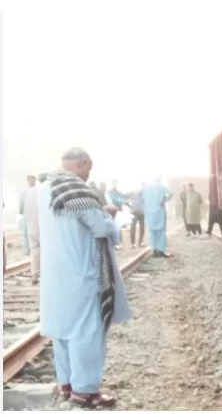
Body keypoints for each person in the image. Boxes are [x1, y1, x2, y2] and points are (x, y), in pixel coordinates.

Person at [38, 147, 130, 408]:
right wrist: (110, 216)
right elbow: (100, 228)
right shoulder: (76, 189)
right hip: (82, 274)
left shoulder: (47, 188)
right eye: (88, 168)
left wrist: (96, 211)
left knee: (63, 331)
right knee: (87, 332)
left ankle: (67, 384)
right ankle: (85, 391)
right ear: (81, 163)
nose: (89, 174)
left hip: (56, 274)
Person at [25, 173, 47, 284]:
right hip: (42, 227)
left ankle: (34, 274)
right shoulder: (44, 191)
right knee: (46, 251)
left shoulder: (28, 192)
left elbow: (22, 209)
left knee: (34, 251)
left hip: (30, 226)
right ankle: (45, 274)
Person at [143, 177, 173, 257]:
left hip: (149, 211)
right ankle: (161, 250)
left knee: (152, 231)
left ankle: (154, 250)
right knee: (161, 231)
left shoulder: (146, 187)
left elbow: (140, 196)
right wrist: (165, 200)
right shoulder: (161, 186)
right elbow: (171, 193)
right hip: (159, 210)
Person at [18, 175, 37, 256]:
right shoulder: (25, 191)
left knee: (30, 232)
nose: (32, 181)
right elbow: (21, 203)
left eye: (33, 180)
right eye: (30, 180)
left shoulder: (34, 190)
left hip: (32, 214)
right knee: (26, 232)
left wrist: (21, 211)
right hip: (29, 214)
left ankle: (29, 250)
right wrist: (21, 211)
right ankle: (27, 250)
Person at [107, 181, 129, 249]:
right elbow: (117, 200)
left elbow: (123, 199)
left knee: (117, 227)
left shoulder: (118, 192)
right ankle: (116, 242)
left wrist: (124, 201)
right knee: (114, 227)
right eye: (114, 183)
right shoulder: (110, 192)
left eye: (116, 183)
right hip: (112, 211)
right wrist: (123, 201)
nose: (115, 185)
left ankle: (118, 242)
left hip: (118, 211)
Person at [130, 183, 146, 248]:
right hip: (137, 211)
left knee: (140, 226)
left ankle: (138, 242)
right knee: (134, 226)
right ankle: (135, 243)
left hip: (140, 211)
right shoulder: (138, 192)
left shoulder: (144, 193)